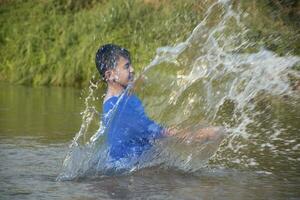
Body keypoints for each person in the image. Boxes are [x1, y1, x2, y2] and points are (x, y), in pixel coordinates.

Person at [95, 44, 223, 164]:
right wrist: (200, 134)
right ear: (110, 75)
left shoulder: (120, 98)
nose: (133, 70)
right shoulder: (119, 109)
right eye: (126, 66)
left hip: (136, 164)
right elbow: (159, 132)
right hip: (128, 171)